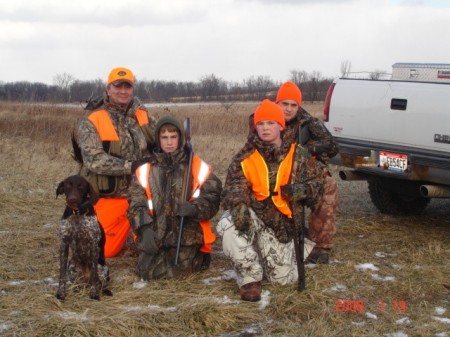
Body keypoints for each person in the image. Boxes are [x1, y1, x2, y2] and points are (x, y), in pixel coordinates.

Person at [218, 99, 324, 302]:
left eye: (271, 123)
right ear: (255, 126)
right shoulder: (245, 156)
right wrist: (239, 204)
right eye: (261, 123)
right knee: (228, 223)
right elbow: (234, 186)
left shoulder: (298, 155)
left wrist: (299, 191)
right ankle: (250, 279)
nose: (265, 128)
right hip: (255, 218)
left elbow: (318, 188)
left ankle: (298, 250)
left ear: (281, 126)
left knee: (282, 280)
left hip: (283, 227)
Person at [127, 116, 222, 280]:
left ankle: (198, 257)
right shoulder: (145, 170)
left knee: (179, 273)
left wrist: (194, 208)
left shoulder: (196, 165)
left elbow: (213, 195)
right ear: (158, 140)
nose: (169, 142)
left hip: (186, 237)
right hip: (156, 234)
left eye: (173, 137)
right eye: (164, 137)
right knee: (146, 273)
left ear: (180, 138)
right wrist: (144, 229)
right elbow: (136, 203)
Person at [75, 67, 156, 258]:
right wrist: (131, 166)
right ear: (108, 89)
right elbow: (93, 161)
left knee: (158, 243)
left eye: (127, 86)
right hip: (111, 199)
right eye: (117, 86)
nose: (123, 91)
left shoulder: (142, 116)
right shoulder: (93, 120)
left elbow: (162, 141)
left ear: (133, 89)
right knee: (104, 250)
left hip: (143, 197)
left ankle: (138, 234)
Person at [275, 81, 339, 264]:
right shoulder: (265, 120)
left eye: (293, 105)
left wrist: (307, 150)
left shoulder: (307, 122)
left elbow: (332, 146)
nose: (288, 109)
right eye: (284, 104)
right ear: (276, 103)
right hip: (274, 176)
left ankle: (320, 246)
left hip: (300, 176)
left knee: (327, 186)